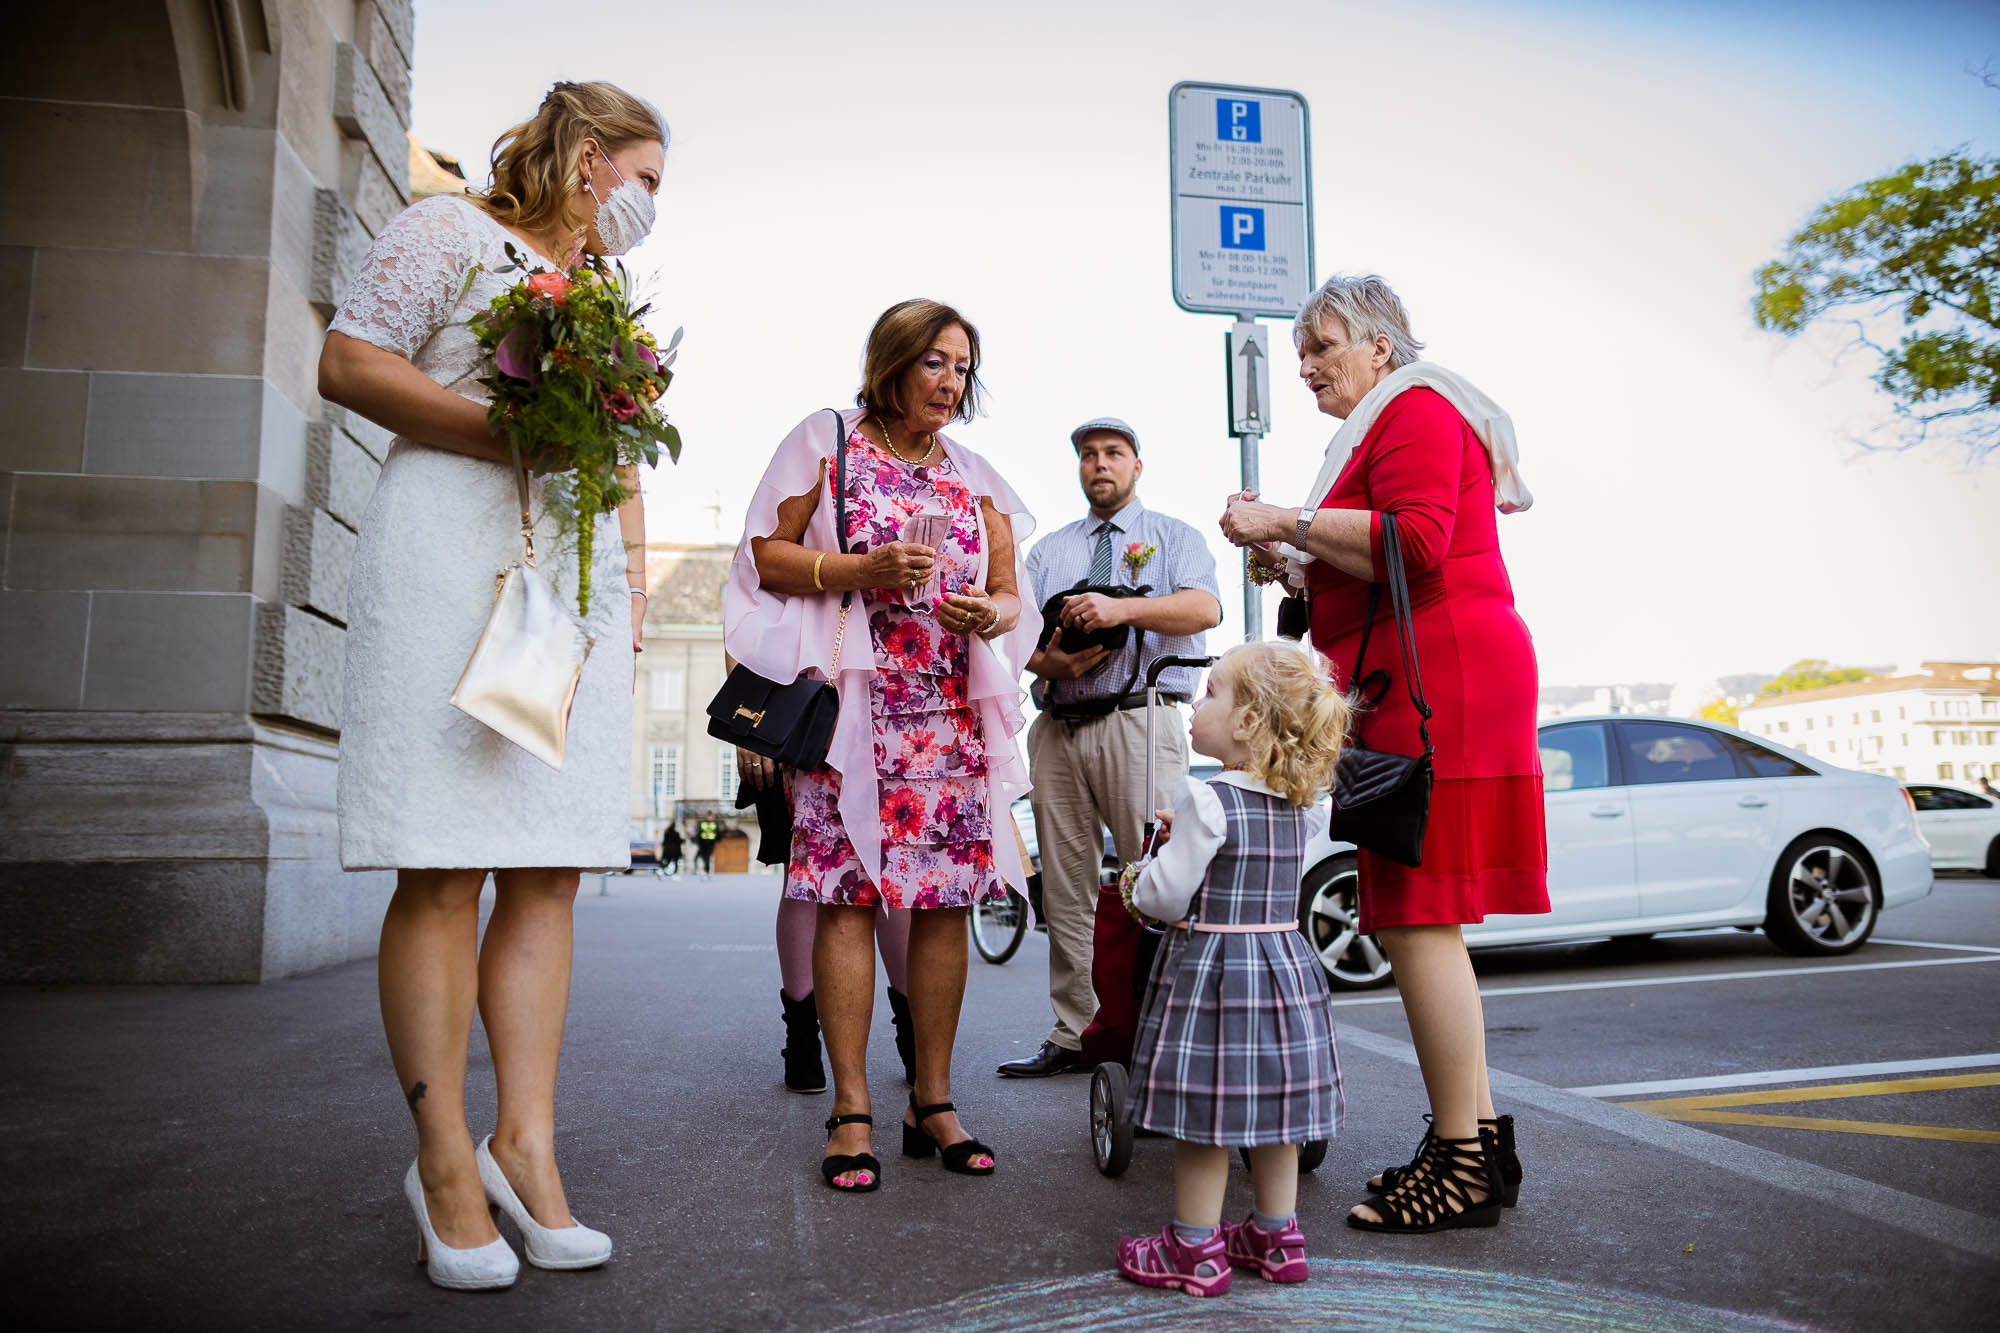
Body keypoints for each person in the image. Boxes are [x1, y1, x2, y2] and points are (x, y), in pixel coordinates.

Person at [317, 81, 665, 1289]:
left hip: (565, 583)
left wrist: (619, 594)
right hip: (445, 558)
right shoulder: (450, 232)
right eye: (645, 180)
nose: (650, 208)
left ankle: (528, 1139)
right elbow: (347, 360)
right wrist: (505, 433)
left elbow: (619, 460)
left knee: (547, 867)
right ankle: (444, 1157)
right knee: (443, 858)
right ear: (582, 159)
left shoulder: (609, 293)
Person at [1220, 273, 1547, 1233]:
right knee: (1420, 911)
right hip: (1429, 667)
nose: (1311, 367)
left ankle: (1460, 1161)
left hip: (1438, 669)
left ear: (1380, 346)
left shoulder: (1413, 405)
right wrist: (1299, 560)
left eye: (1324, 346)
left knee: (1415, 913)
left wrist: (1287, 521)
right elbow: (1385, 547)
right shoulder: (1401, 413)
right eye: (1302, 353)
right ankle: (1476, 1142)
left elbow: (1419, 539)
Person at [724, 299, 1039, 1191]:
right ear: (894, 362)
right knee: (846, 900)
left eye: (964, 367)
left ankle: (931, 1100)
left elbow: (1013, 593)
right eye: (936, 361)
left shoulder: (975, 474)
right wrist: (857, 570)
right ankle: (853, 1105)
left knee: (943, 906)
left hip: (946, 710)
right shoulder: (827, 443)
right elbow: (761, 555)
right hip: (848, 708)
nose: (951, 381)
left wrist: (992, 612)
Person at [1114, 643, 1348, 1296]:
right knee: (1277, 1115)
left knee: (1205, 1118)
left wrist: (1141, 875)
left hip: (1216, 975)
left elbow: (1165, 895)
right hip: (1282, 970)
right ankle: (1277, 1235)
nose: (1196, 703)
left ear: (1248, 722)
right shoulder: (1298, 807)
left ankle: (1194, 1247)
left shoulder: (1206, 798)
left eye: (1212, 692)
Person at [997, 417, 1222, 1078]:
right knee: (1066, 889)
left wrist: (1121, 609)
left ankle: (1162, 1036)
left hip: (1140, 719)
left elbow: (1205, 608)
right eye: (1089, 454)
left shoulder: (1172, 537)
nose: (1100, 463)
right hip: (1060, 725)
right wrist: (1049, 664)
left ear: (1136, 466)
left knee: (1158, 877)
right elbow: (1018, 637)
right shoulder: (1050, 552)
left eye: (1114, 452)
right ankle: (1077, 1032)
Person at [737, 750, 916, 1096]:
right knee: (888, 867)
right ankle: (915, 1047)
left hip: (810, 716)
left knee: (806, 868)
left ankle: (803, 1050)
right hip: (882, 716)